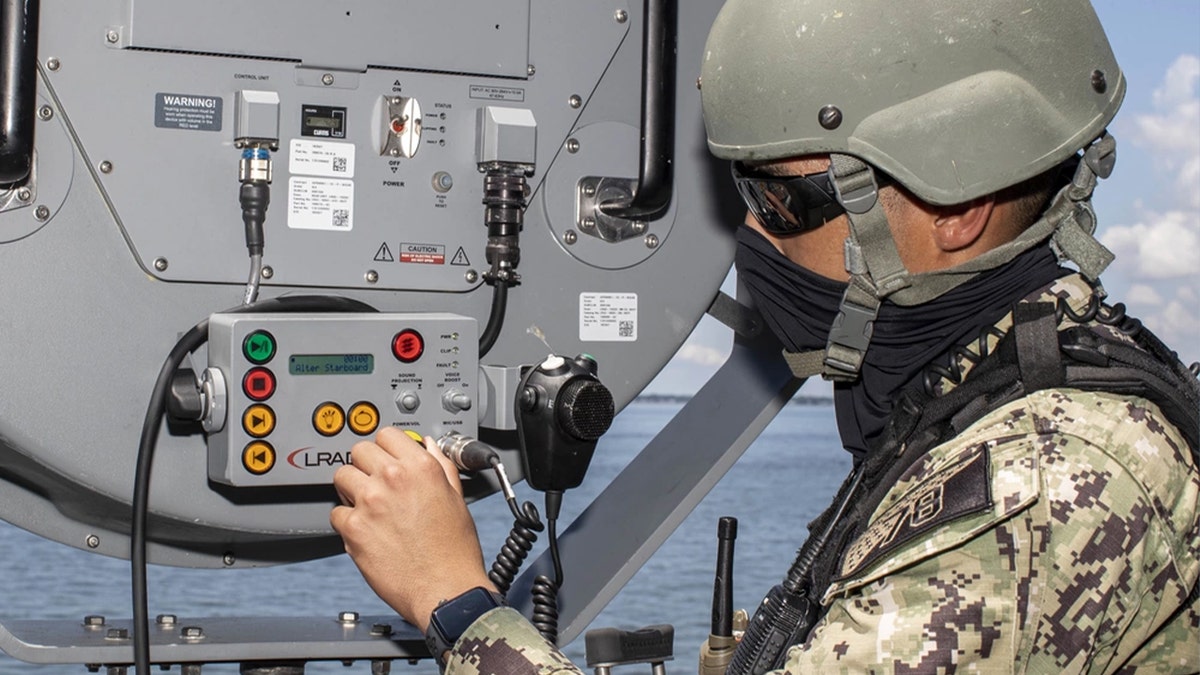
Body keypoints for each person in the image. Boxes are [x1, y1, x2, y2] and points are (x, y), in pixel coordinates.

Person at [331, 0, 1200, 672]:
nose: (754, 238)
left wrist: (455, 603)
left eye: (780, 202)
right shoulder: (972, 399)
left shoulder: (1041, 483)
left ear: (956, 207)